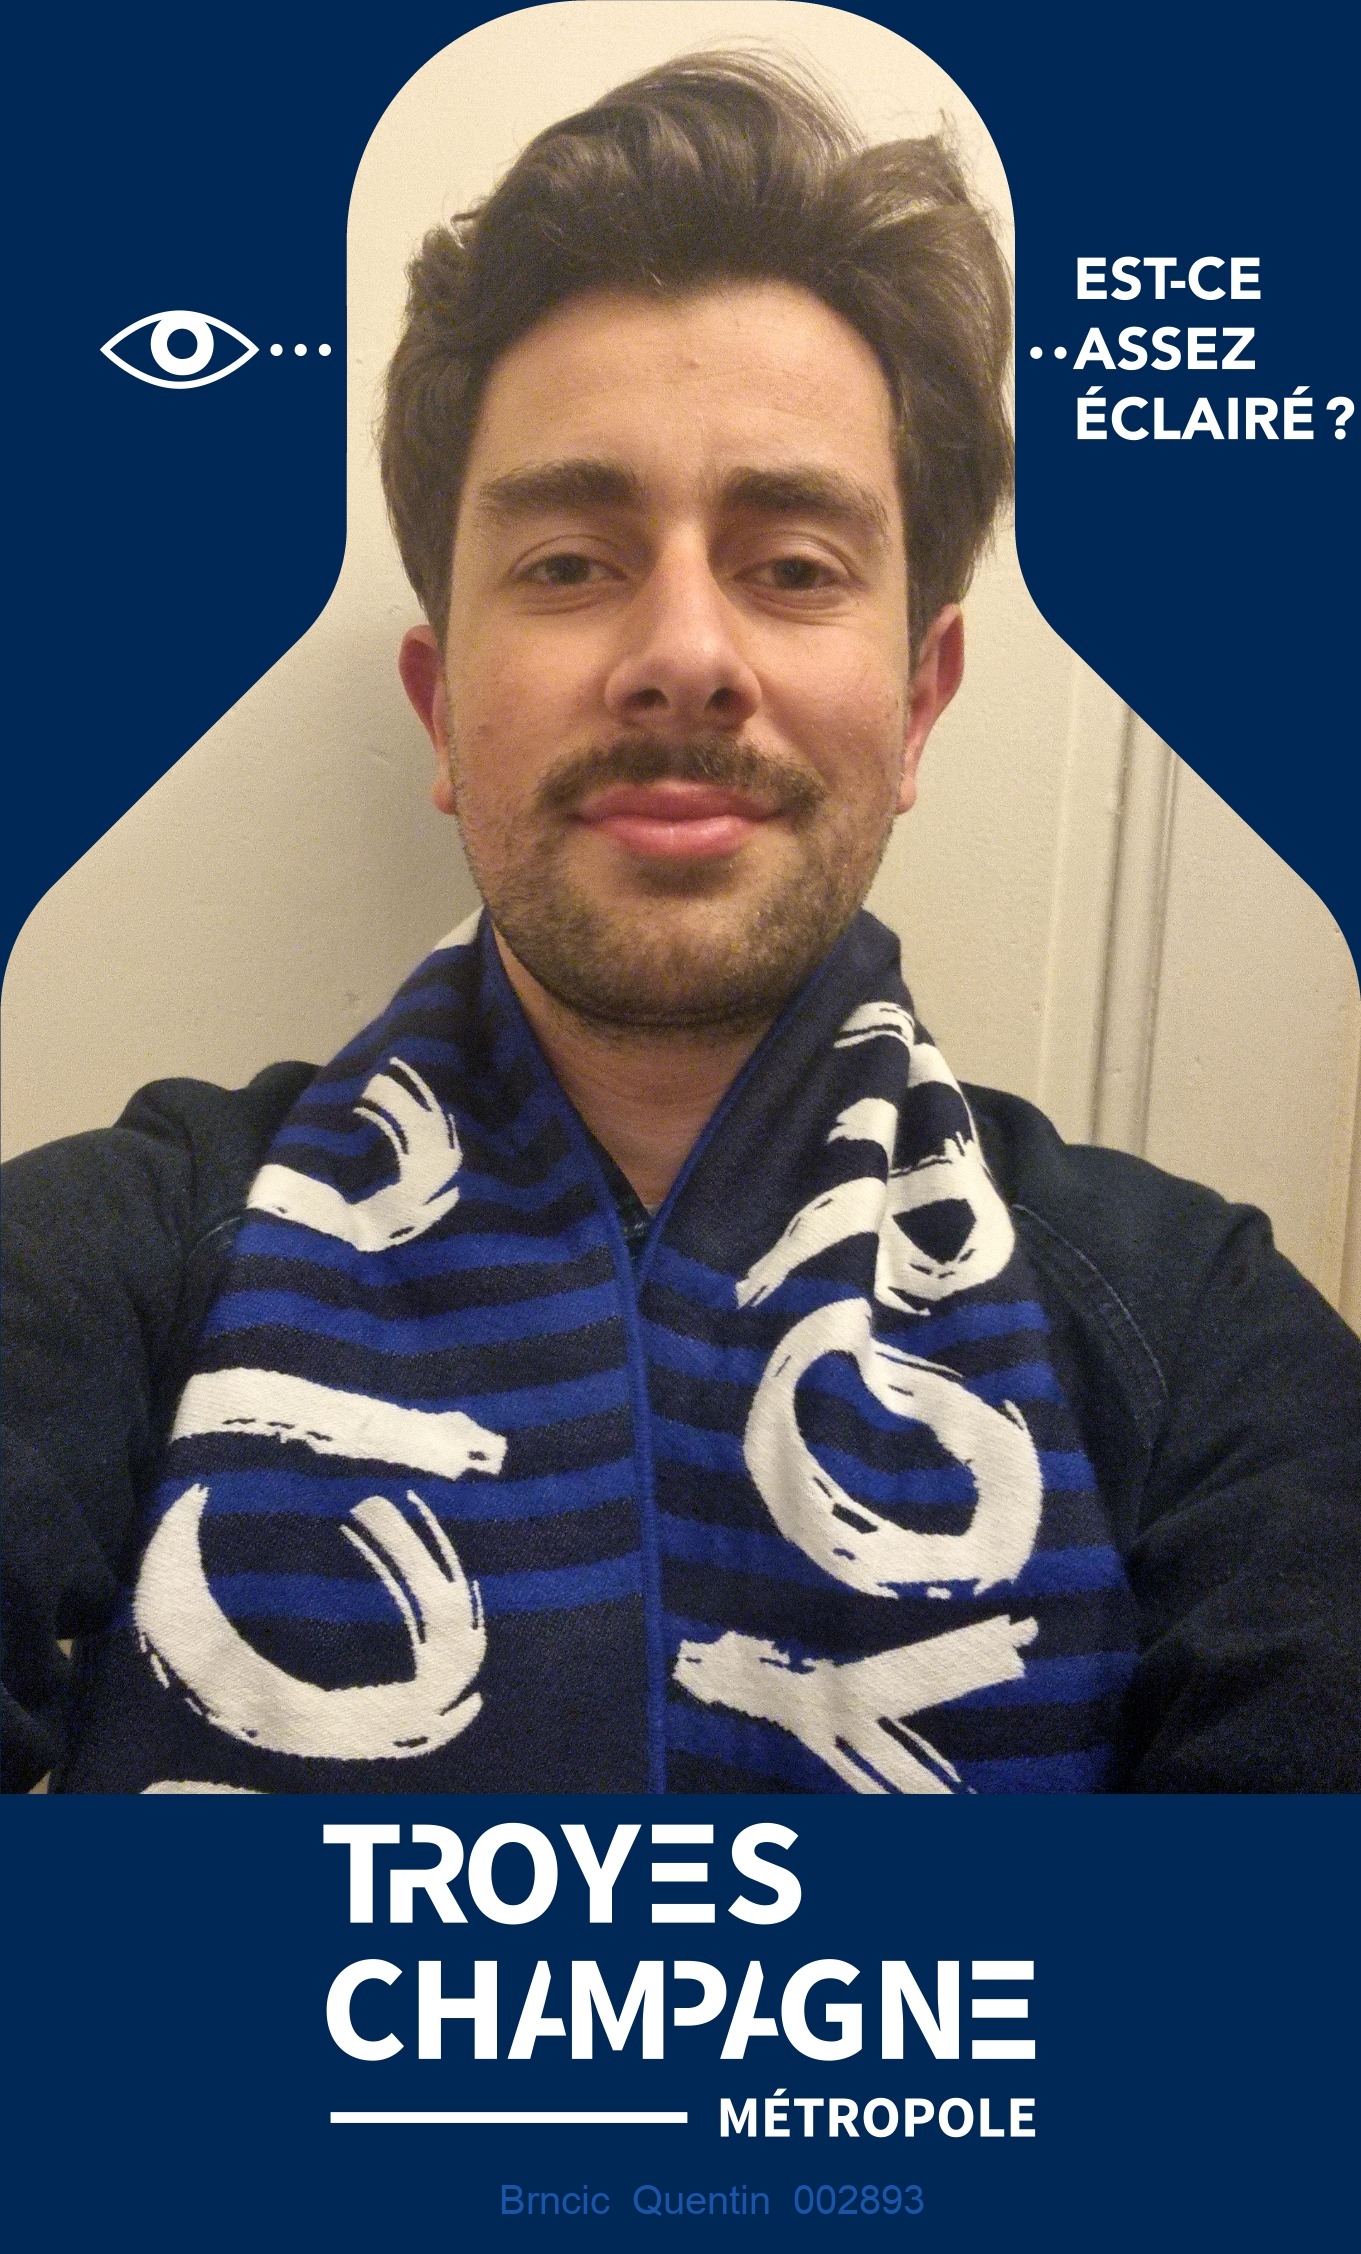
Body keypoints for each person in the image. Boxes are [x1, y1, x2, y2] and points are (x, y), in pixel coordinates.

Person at [4, 53, 1359, 1796]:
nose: (684, 653)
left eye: (792, 566)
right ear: (441, 707)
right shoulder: (110, 1264)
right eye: (569, 562)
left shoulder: (1207, 1338)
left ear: (918, 701)